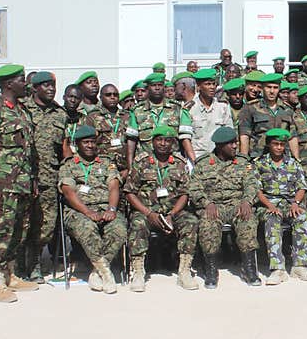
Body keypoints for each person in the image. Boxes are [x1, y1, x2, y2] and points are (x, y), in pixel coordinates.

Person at [0, 64, 39, 302]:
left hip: (22, 184)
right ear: (8, 84)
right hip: (3, 185)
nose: (26, 84)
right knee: (0, 233)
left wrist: (32, 180)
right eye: (22, 80)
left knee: (17, 232)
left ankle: (11, 275)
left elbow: (27, 151)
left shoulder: (23, 111)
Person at [123, 125, 198, 292]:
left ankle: (184, 271)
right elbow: (129, 192)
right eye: (159, 140)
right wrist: (148, 213)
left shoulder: (179, 163)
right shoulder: (141, 162)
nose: (163, 143)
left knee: (190, 222)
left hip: (173, 211)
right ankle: (138, 271)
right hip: (146, 211)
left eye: (167, 140)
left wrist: (172, 214)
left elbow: (185, 193)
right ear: (152, 142)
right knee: (137, 224)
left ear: (172, 143)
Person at [188, 126, 261, 288]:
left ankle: (249, 268)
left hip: (237, 204)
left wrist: (247, 201)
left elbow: (252, 184)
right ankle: (211, 270)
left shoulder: (242, 162)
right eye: (231, 144)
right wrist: (206, 203)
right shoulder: (204, 163)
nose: (235, 146)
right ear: (220, 146)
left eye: (235, 142)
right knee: (208, 223)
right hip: (214, 206)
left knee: (247, 219)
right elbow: (194, 187)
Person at [58, 125, 127, 294]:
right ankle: (106, 273)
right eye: (86, 142)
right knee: (87, 228)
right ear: (78, 144)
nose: (90, 146)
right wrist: (87, 212)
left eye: (92, 142)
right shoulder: (69, 165)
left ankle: (97, 273)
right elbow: (68, 192)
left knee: (119, 228)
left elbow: (114, 187)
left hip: (104, 208)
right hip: (78, 210)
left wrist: (111, 209)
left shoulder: (106, 162)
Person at [22, 71, 66, 282]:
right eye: (46, 85)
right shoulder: (22, 110)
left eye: (53, 86)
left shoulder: (60, 114)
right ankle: (17, 264)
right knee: (22, 223)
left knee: (45, 225)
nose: (51, 89)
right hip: (22, 178)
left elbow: (63, 149)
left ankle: (35, 265)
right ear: (35, 88)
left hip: (49, 178)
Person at [255, 129, 307, 285]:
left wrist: (295, 202)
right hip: (268, 204)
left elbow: (302, 186)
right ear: (269, 144)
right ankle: (278, 269)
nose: (279, 147)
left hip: (290, 202)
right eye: (276, 144)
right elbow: (257, 190)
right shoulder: (259, 163)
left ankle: (300, 266)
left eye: (282, 144)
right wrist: (270, 206)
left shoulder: (293, 163)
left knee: (302, 217)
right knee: (272, 219)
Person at [125, 72, 195, 166]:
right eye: (154, 85)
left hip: (172, 163)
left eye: (160, 85)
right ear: (148, 88)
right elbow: (131, 141)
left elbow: (185, 138)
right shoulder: (137, 111)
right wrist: (130, 167)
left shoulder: (177, 108)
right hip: (146, 164)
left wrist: (193, 161)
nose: (157, 88)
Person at [238, 73, 298, 159]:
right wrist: (244, 160)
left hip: (282, 159)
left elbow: (292, 137)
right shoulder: (250, 108)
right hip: (258, 157)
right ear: (262, 88)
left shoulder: (287, 110)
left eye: (275, 88)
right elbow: (244, 135)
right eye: (269, 87)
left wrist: (296, 160)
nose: (272, 91)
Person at [85, 82, 131, 181]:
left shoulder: (128, 116)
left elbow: (133, 144)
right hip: (102, 168)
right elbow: (88, 144)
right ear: (101, 97)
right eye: (108, 95)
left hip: (124, 169)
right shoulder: (92, 117)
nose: (112, 97)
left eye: (115, 95)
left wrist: (129, 169)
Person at [186, 68, 234, 156]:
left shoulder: (223, 106)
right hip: (198, 156)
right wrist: (193, 160)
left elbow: (229, 133)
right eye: (208, 84)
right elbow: (185, 138)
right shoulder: (190, 108)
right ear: (199, 86)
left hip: (218, 157)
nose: (212, 87)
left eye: (214, 84)